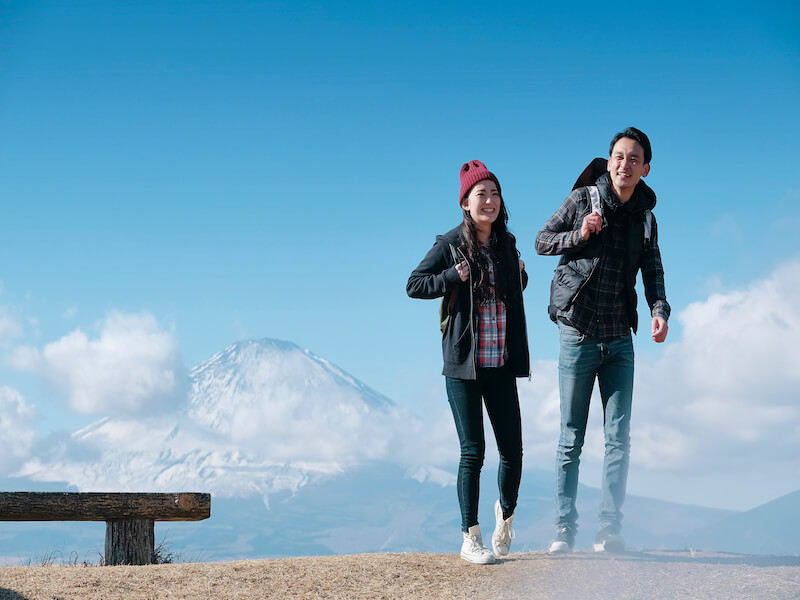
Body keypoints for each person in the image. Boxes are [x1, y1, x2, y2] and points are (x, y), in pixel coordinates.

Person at [535, 127, 670, 553]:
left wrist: (659, 311)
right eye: (618, 156)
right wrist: (579, 235)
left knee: (618, 438)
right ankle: (564, 529)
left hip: (620, 339)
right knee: (571, 437)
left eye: (634, 159)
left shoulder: (646, 219)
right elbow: (541, 241)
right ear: (609, 161)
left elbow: (653, 270)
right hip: (578, 333)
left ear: (645, 169)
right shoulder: (582, 200)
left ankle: (609, 529)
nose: (624, 164)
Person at [407, 160, 530, 564]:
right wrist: (452, 277)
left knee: (512, 451)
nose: (490, 201)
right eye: (481, 194)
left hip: (501, 364)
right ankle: (469, 538)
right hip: (464, 366)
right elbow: (414, 284)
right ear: (465, 202)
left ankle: (505, 516)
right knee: (473, 452)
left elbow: (510, 291)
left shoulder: (507, 244)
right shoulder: (450, 244)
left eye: (495, 193)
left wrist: (520, 275)